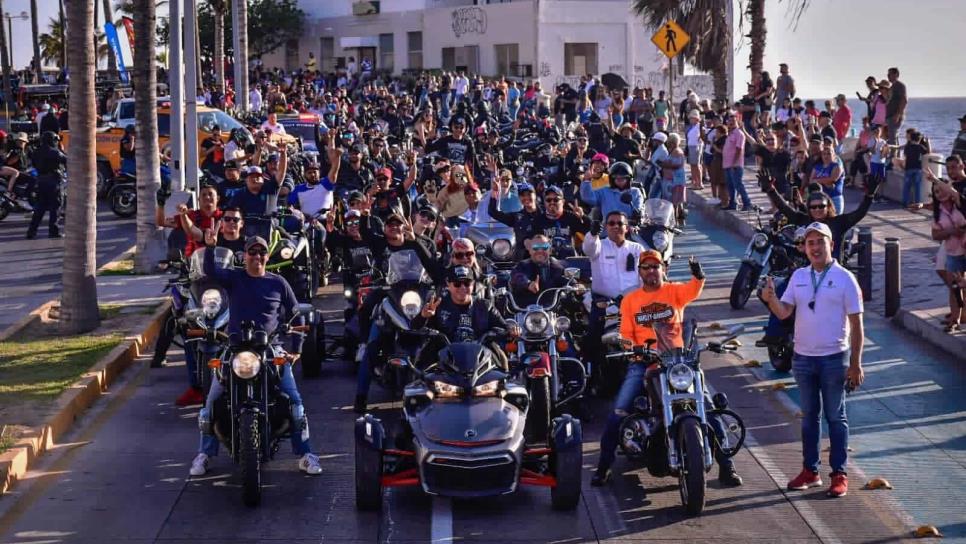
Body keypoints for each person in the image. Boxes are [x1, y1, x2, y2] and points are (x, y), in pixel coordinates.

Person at [591, 250, 742, 488]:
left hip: (678, 361)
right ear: (640, 272)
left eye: (655, 266)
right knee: (619, 411)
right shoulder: (631, 300)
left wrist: (699, 275)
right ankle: (604, 466)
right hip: (644, 361)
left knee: (708, 407)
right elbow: (626, 334)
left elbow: (694, 289)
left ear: (664, 269)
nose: (651, 271)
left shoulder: (675, 291)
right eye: (646, 267)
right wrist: (633, 347)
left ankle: (727, 466)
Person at [190, 234, 323, 477]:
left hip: (271, 348)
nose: (257, 256)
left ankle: (306, 454)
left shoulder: (278, 282)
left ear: (267, 255)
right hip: (235, 348)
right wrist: (209, 248)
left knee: (295, 402)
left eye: (262, 252)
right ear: (245, 255)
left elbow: (297, 313)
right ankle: (204, 454)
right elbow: (211, 272)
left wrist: (297, 349)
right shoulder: (234, 278)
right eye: (253, 252)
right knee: (210, 404)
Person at [760, 222, 865, 498]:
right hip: (803, 358)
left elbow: (857, 325)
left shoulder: (845, 279)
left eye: (820, 241)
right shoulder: (798, 277)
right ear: (804, 248)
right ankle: (811, 471)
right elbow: (784, 313)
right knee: (809, 419)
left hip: (834, 359)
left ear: (831, 244)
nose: (815, 247)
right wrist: (770, 300)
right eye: (810, 243)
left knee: (836, 417)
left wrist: (855, 364)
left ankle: (839, 474)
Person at [581, 211, 645, 391]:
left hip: (632, 305)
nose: (616, 226)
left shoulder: (637, 249)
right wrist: (592, 233)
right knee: (592, 340)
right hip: (603, 304)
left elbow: (645, 278)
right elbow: (588, 248)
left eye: (620, 223)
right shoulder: (599, 246)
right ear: (606, 226)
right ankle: (591, 382)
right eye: (611, 223)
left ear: (627, 227)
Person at [411, 265, 510, 369]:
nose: (463, 288)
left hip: (480, 358)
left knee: (502, 363)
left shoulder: (486, 305)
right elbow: (414, 327)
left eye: (467, 283)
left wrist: (511, 330)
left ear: (473, 284)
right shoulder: (437, 305)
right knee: (421, 370)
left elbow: (504, 327)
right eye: (457, 284)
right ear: (448, 285)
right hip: (444, 359)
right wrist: (423, 316)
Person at [26, 131, 66, 239]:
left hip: (41, 181)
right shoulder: (55, 152)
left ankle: (31, 231)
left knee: (39, 208)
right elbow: (67, 160)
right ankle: (53, 231)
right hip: (53, 182)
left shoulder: (36, 152)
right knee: (55, 208)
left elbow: (33, 164)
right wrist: (61, 149)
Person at [509, 234, 568, 307]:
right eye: (536, 247)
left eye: (544, 247)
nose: (540, 251)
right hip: (526, 311)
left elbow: (569, 280)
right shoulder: (522, 265)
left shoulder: (558, 267)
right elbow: (516, 276)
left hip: (552, 311)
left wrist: (577, 286)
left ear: (550, 250)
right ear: (530, 250)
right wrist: (528, 284)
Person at [579, 161, 644, 221]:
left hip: (628, 228)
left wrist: (638, 214)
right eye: (616, 178)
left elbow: (639, 209)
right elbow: (588, 198)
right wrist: (587, 181)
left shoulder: (635, 192)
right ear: (611, 179)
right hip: (608, 228)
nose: (620, 180)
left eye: (623, 178)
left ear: (629, 179)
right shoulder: (604, 191)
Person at [723, 114, 751, 210]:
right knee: (730, 185)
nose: (731, 123)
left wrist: (734, 162)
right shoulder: (729, 134)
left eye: (733, 121)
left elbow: (739, 149)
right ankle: (732, 203)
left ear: (738, 122)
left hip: (735, 164)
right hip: (727, 164)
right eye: (729, 121)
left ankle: (747, 203)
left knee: (738, 184)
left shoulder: (739, 134)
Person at [885, 67, 907, 146]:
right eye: (888, 74)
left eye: (890, 74)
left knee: (892, 139)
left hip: (894, 116)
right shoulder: (892, 86)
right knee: (893, 137)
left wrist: (898, 114)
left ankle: (892, 157)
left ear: (896, 74)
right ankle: (894, 156)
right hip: (890, 116)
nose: (888, 76)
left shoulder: (899, 85)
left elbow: (904, 100)